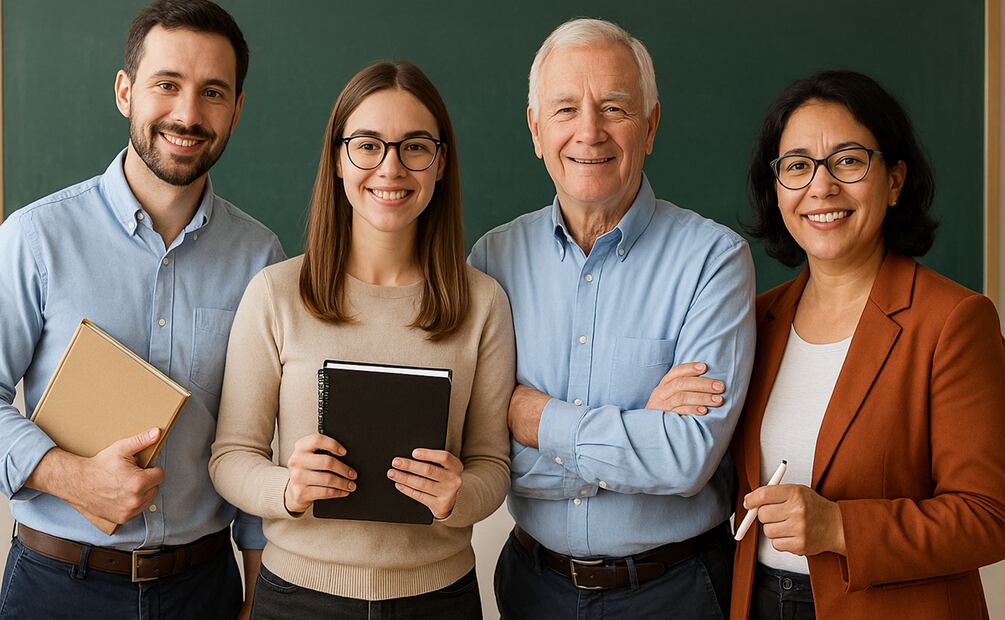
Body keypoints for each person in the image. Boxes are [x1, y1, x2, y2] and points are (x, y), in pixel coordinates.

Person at [0, 1, 284, 618]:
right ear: (126, 91)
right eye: (167, 84)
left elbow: (259, 439)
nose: (187, 113)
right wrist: (66, 475)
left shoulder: (261, 256)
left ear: (236, 110)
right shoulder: (34, 239)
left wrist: (258, 594)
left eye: (213, 92)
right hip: (55, 586)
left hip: (204, 589)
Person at [469, 18, 756, 618]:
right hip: (531, 589)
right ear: (535, 128)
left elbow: (686, 458)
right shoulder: (491, 259)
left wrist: (533, 414)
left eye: (615, 108)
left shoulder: (714, 259)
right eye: (566, 108)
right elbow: (486, 454)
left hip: (675, 591)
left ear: (650, 126)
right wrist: (636, 428)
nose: (589, 131)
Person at [209, 61, 514, 619]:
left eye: (415, 146)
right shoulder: (276, 293)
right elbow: (231, 457)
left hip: (439, 601)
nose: (391, 168)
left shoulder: (483, 303)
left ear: (441, 163)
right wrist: (289, 488)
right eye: (368, 145)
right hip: (298, 598)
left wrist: (457, 496)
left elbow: (492, 465)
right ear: (337, 158)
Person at [730, 70, 1005, 619]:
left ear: (895, 180)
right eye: (798, 165)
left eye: (849, 160)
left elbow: (989, 515)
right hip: (757, 603)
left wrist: (838, 526)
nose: (822, 187)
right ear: (778, 188)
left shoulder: (954, 321)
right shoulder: (756, 318)